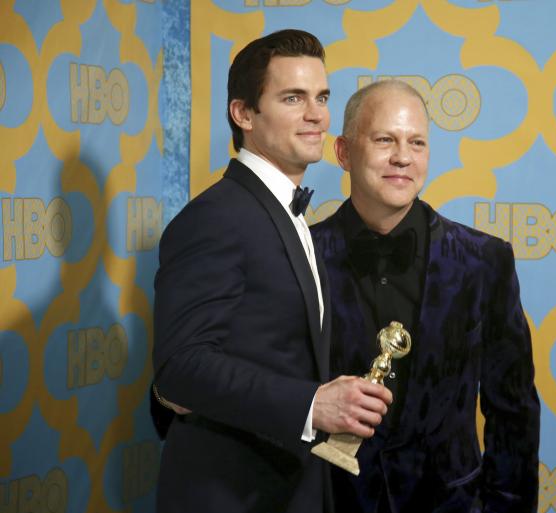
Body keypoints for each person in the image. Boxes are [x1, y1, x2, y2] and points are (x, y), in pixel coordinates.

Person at [151, 29, 392, 513]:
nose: (316, 115)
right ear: (243, 114)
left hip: (287, 488)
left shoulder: (284, 211)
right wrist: (311, 405)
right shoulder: (217, 216)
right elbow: (179, 368)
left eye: (321, 97)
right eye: (292, 98)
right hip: (231, 494)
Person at [310, 80, 540, 512]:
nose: (402, 156)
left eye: (416, 142)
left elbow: (514, 413)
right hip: (329, 500)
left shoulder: (484, 261)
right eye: (384, 140)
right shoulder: (298, 256)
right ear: (342, 152)